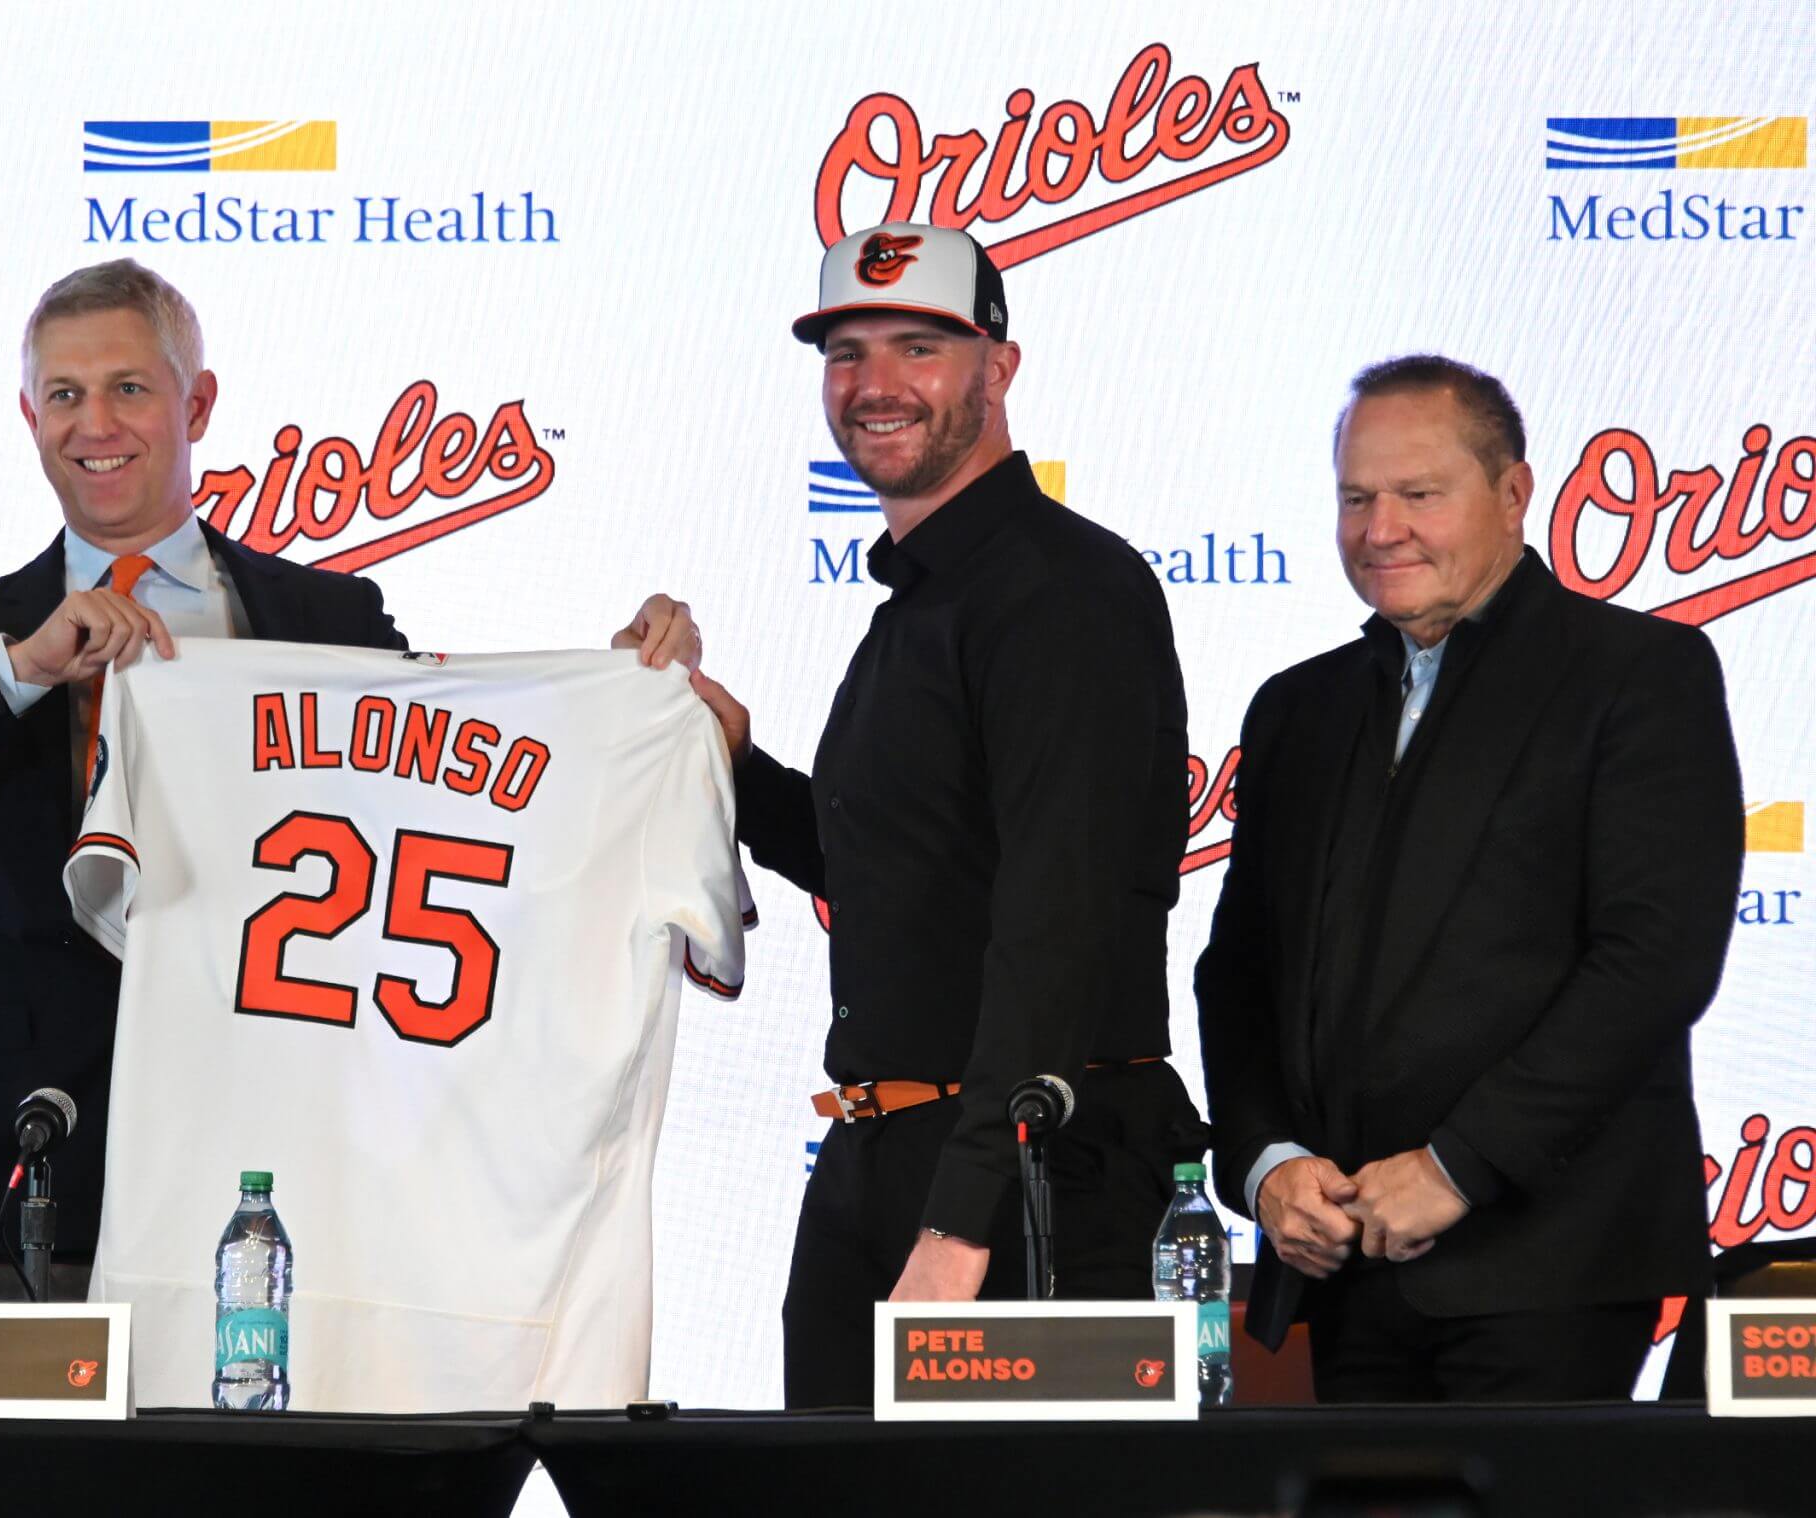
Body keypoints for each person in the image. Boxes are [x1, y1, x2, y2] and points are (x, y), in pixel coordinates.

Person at [0, 258, 701, 1267]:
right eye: (64, 394)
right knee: (17, 1433)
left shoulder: (332, 621)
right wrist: (15, 672)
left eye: (129, 389)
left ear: (198, 402)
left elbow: (462, 812)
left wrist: (623, 703)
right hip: (33, 1158)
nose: (93, 424)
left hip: (283, 1160)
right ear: (28, 413)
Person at [690, 223, 1205, 1407]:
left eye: (919, 346)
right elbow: (894, 872)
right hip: (887, 1155)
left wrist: (965, 1217)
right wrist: (729, 766)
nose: (875, 385)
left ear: (999, 367)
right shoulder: (921, 602)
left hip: (1030, 1173)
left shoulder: (1061, 589)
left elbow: (1056, 919)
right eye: (847, 352)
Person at [1196, 354, 1742, 1401]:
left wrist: (1456, 1165)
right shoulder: (1294, 709)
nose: (1379, 528)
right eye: (1356, 498)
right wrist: (1266, 1166)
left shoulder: (1638, 676)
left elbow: (1654, 962)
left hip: (1548, 1274)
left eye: (1417, 494)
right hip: (1335, 1273)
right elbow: (1239, 975)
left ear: (1511, 494)